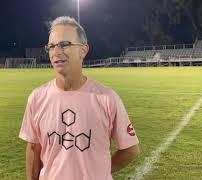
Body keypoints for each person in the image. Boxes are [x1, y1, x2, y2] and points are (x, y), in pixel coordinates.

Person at [19, 16, 139, 180]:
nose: (57, 52)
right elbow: (33, 148)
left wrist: (100, 170)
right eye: (52, 46)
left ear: (83, 50)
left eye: (64, 44)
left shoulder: (107, 98)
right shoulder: (37, 98)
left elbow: (131, 150)